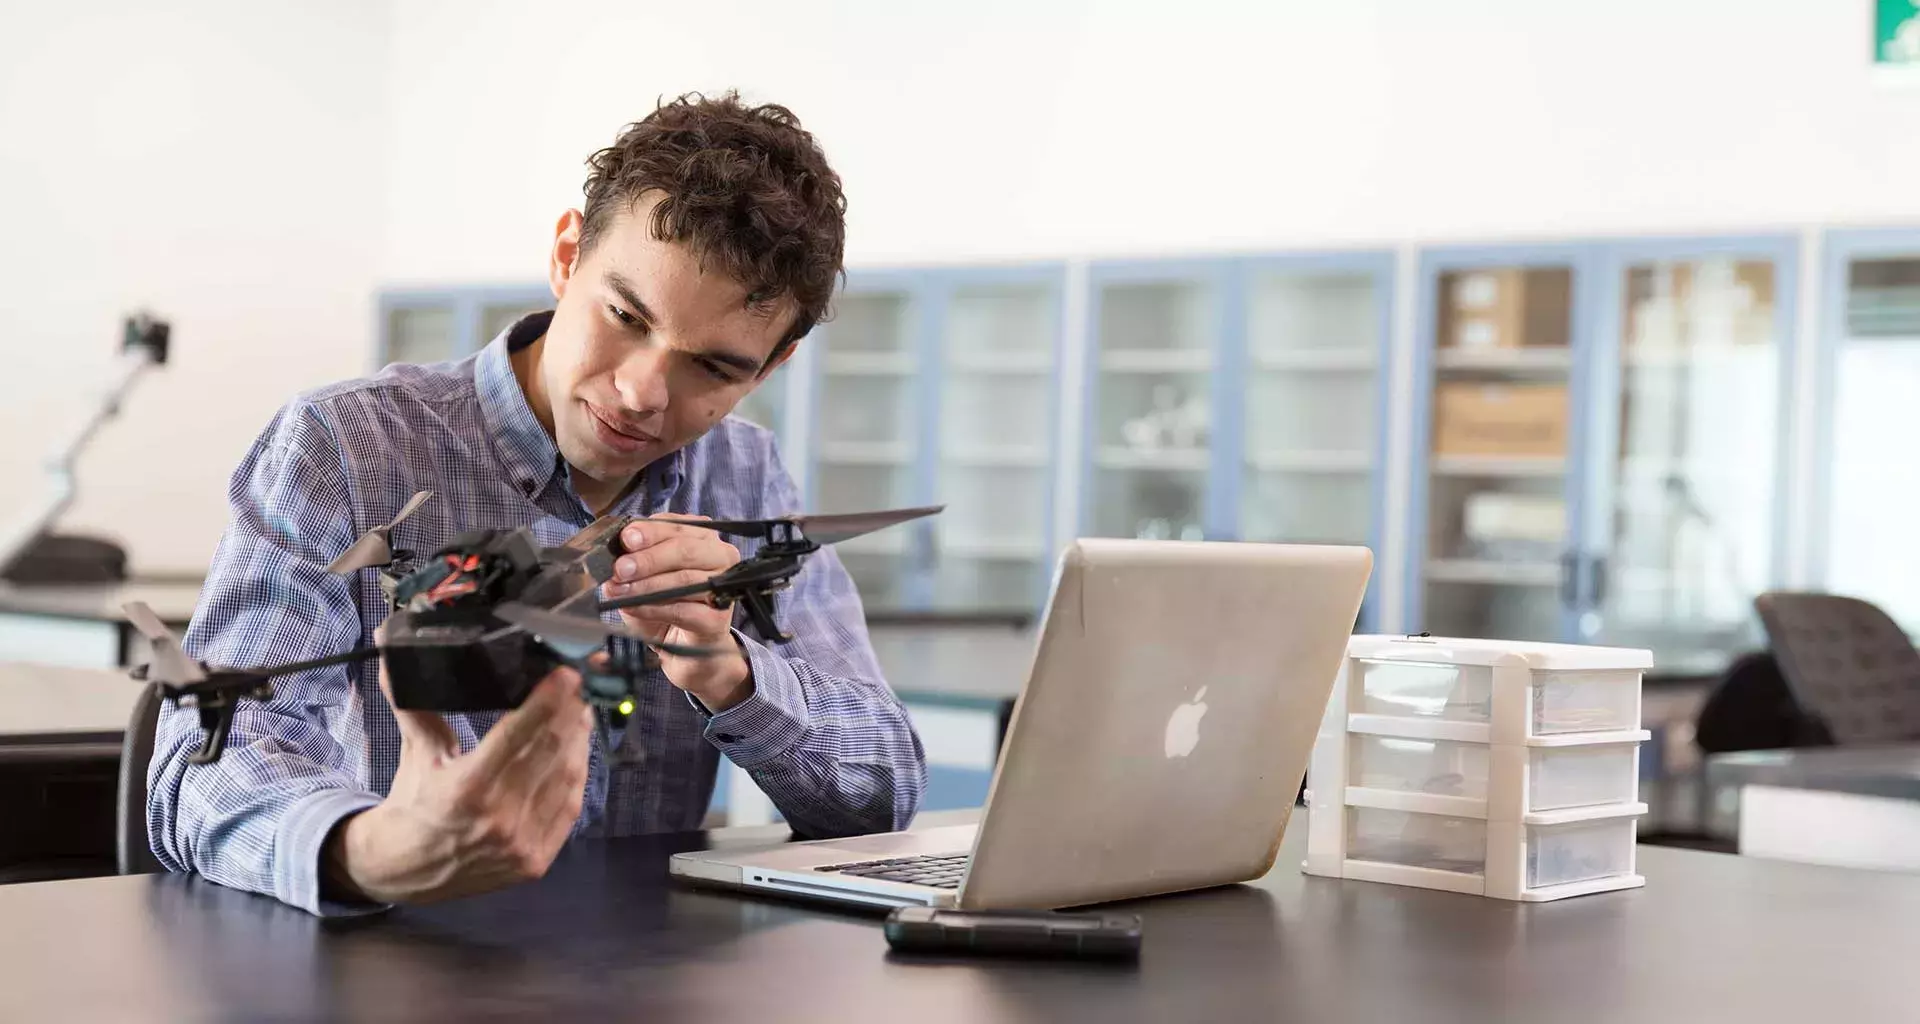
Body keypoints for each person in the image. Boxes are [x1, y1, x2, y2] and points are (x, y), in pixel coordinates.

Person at [147, 91, 928, 915]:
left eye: (716, 368)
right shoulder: (344, 448)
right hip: (382, 963)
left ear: (771, 367)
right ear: (566, 256)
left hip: (641, 982)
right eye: (625, 316)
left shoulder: (745, 475)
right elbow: (201, 767)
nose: (641, 393)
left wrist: (735, 675)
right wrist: (373, 851)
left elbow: (885, 793)